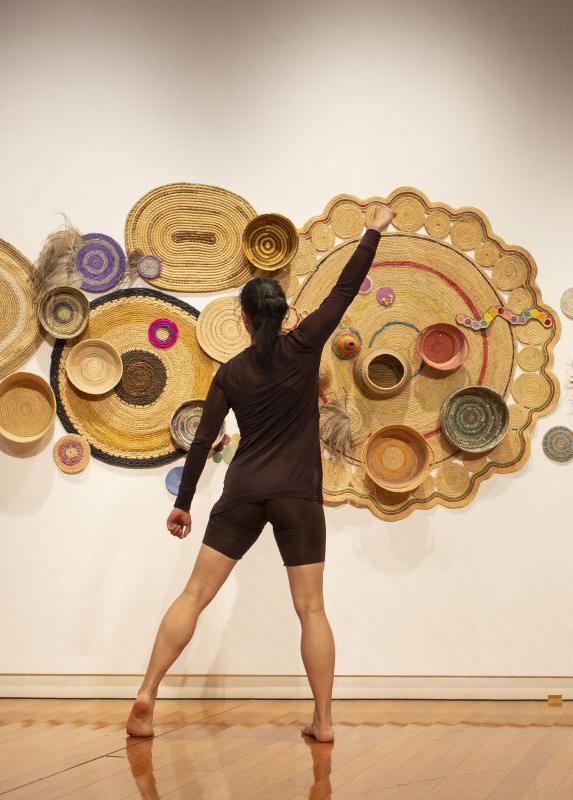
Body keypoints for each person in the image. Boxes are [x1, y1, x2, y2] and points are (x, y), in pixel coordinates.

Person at [126, 204, 395, 743]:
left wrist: (183, 503)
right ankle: (322, 721)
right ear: (285, 312)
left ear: (245, 320)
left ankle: (149, 690)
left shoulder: (231, 372)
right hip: (297, 496)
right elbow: (343, 292)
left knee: (194, 595)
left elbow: (202, 439)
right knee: (312, 608)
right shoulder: (303, 346)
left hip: (243, 493)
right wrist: (372, 232)